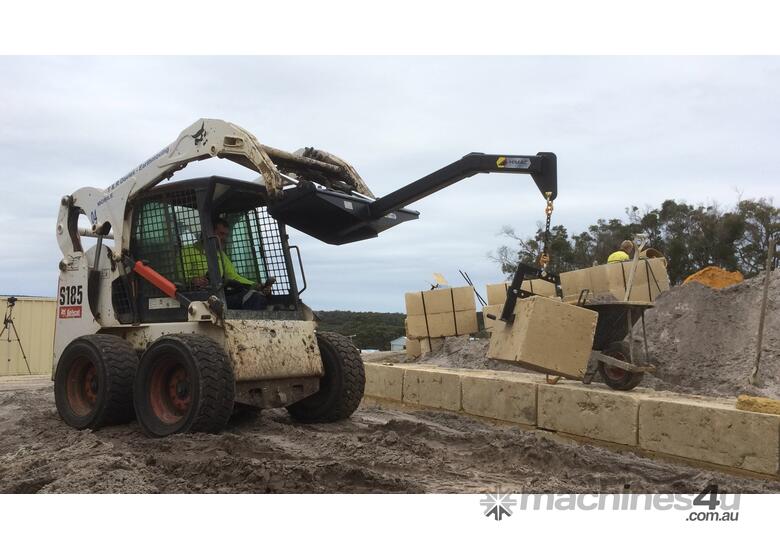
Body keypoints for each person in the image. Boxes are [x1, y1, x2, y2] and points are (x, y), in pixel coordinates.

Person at [180, 218, 274, 310]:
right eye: (221, 234)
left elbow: (233, 277)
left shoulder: (221, 255)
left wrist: (256, 285)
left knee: (255, 296)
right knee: (254, 298)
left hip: (218, 296)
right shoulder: (187, 251)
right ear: (208, 233)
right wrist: (193, 280)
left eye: (226, 235)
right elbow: (181, 277)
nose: (224, 238)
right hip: (197, 299)